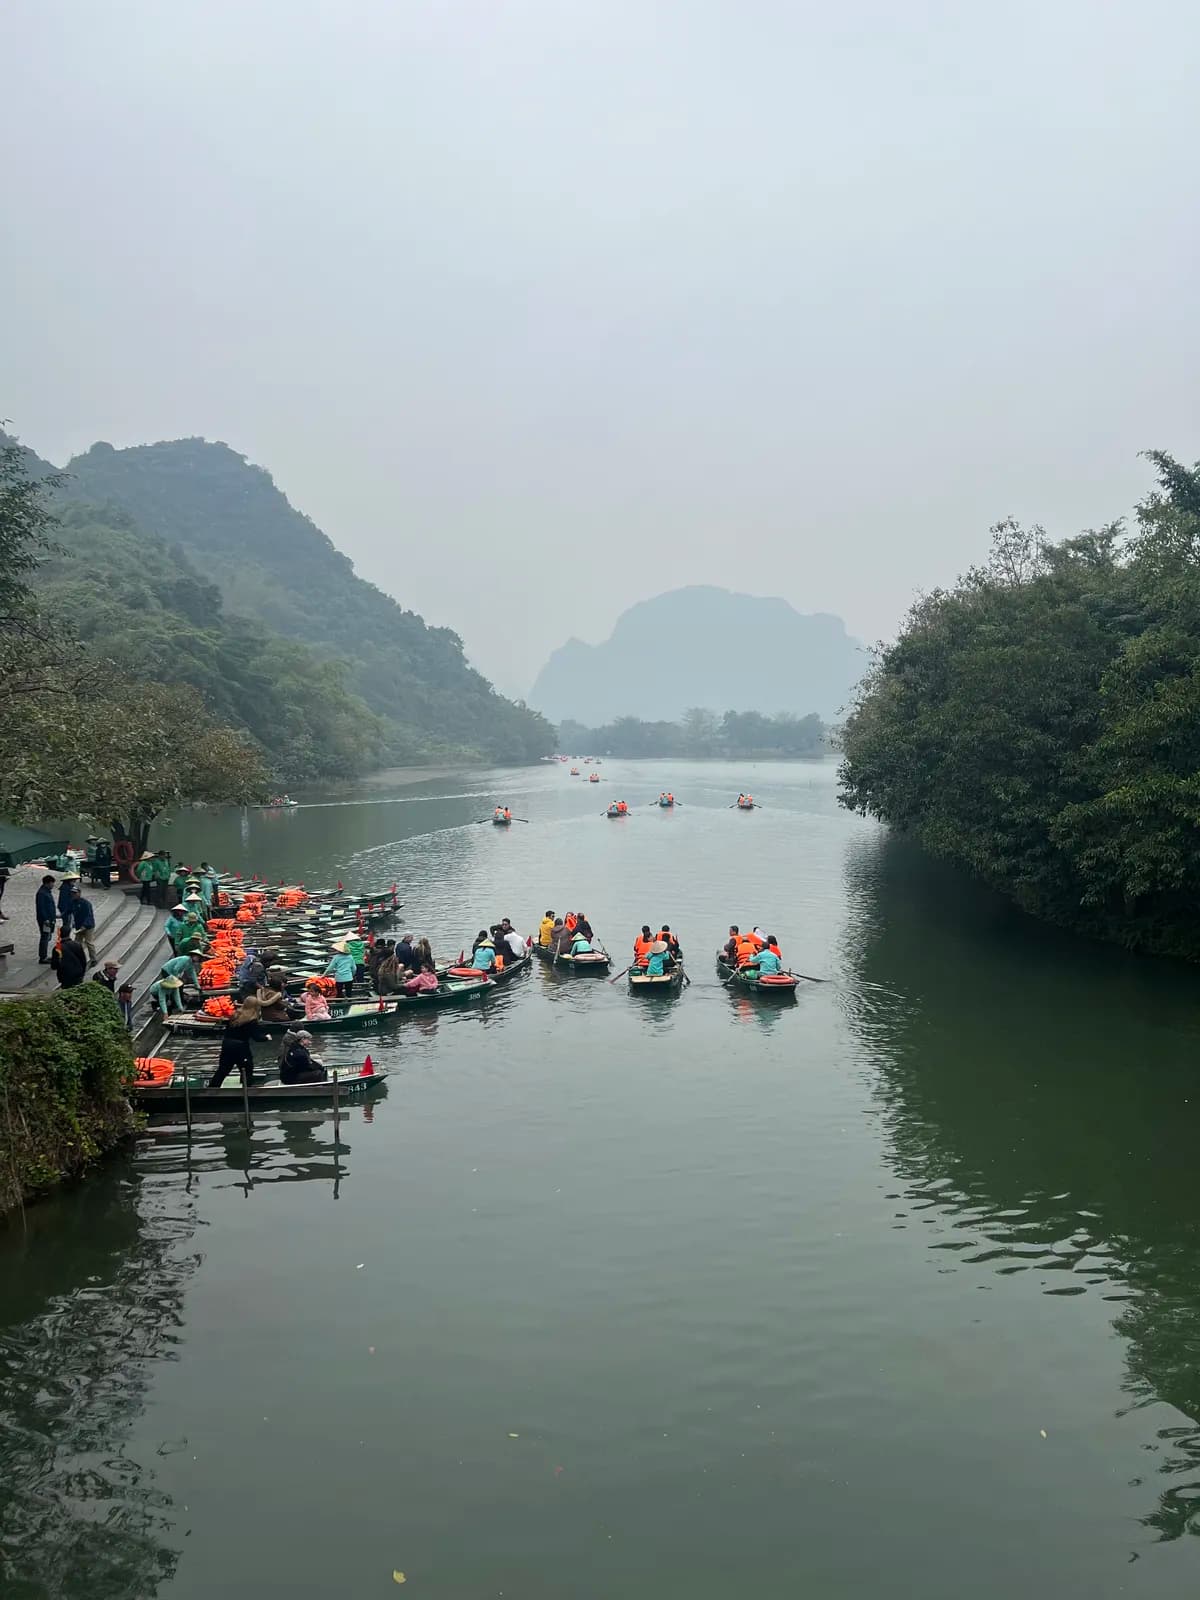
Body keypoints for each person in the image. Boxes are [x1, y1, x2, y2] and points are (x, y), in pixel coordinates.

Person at [208, 996, 268, 1089]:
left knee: (223, 1069)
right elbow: (257, 1037)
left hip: (227, 1044)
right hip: (240, 1047)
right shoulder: (251, 1020)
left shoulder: (235, 1015)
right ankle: (247, 1089)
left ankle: (212, 1088)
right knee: (247, 1069)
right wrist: (266, 1037)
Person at [69, 884, 98, 966]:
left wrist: (85, 925)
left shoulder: (85, 903)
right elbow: (68, 911)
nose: (73, 895)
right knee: (77, 943)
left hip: (88, 926)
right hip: (79, 926)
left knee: (89, 942)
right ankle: (77, 958)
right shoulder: (72, 902)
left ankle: (94, 959)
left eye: (75, 893)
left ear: (79, 893)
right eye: (72, 893)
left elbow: (89, 915)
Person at [36, 873, 57, 963]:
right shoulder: (42, 893)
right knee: (45, 937)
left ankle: (44, 955)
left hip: (50, 919)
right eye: (52, 883)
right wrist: (46, 919)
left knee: (47, 936)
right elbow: (41, 908)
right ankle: (43, 957)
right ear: (47, 883)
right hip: (45, 920)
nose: (53, 885)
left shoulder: (47, 892)